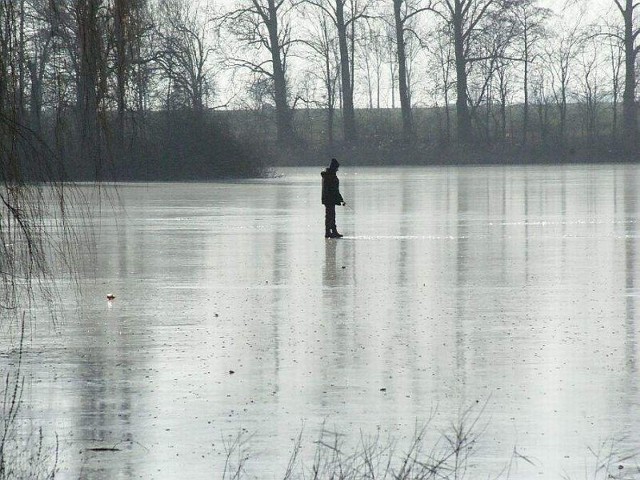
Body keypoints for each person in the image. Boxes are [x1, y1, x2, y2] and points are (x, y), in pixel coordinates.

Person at [321, 158, 345, 238]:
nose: (337, 170)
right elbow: (334, 190)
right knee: (330, 216)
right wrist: (341, 199)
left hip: (329, 199)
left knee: (331, 215)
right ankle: (328, 232)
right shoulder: (330, 176)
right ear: (333, 167)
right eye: (337, 168)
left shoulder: (328, 175)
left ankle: (333, 231)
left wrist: (340, 199)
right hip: (329, 199)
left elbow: (334, 190)